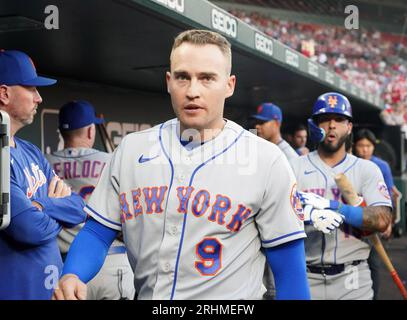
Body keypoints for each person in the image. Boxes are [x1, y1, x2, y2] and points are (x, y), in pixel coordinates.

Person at [53, 29, 312, 300]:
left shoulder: (266, 160)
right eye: (182, 77)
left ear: (229, 85)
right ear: (168, 81)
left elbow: (289, 273)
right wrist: (73, 273)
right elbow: (97, 231)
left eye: (207, 78)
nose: (192, 91)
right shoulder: (132, 150)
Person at [0, 50, 87, 299]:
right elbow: (28, 229)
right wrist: (56, 206)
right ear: (4, 94)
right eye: (31, 88)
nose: (39, 98)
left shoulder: (31, 151)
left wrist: (40, 205)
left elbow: (78, 207)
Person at [291, 92, 393, 300]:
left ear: (348, 127)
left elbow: (383, 219)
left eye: (339, 119)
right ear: (314, 125)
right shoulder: (293, 167)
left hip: (353, 278)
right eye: (325, 119)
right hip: (305, 275)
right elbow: (273, 216)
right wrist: (308, 213)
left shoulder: (367, 169)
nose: (331, 125)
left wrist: (335, 208)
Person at [46, 100, 135, 300]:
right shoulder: (111, 160)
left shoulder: (43, 164)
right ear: (89, 132)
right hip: (109, 262)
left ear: (61, 131)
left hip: (63, 269)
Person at [353, 128, 398, 300]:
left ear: (374, 147)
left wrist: (388, 221)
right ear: (355, 146)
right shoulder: (351, 163)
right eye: (361, 145)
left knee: (373, 262)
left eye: (368, 146)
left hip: (375, 219)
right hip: (355, 218)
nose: (364, 149)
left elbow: (389, 193)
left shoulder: (382, 165)